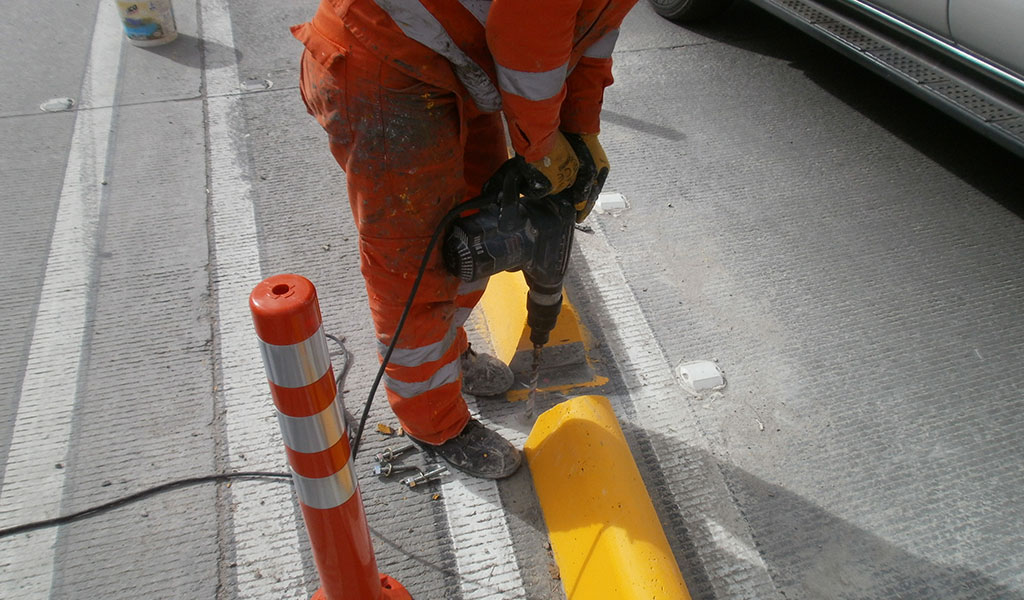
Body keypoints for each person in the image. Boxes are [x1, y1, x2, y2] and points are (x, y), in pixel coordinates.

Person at [292, 0, 637, 479]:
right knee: (417, 264)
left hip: (456, 63)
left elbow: (593, 32)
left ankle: (446, 351)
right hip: (383, 57)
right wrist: (541, 143)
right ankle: (433, 423)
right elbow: (526, 36)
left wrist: (580, 127)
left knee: (477, 225)